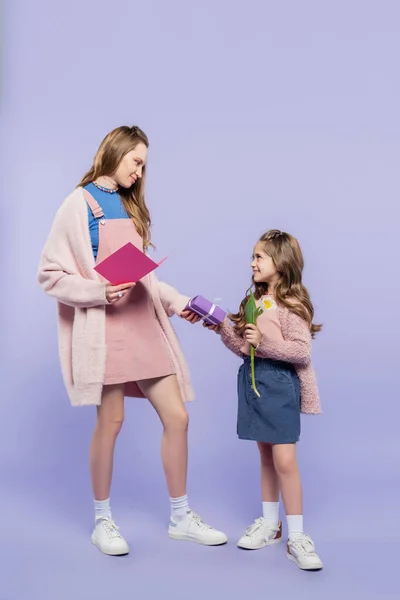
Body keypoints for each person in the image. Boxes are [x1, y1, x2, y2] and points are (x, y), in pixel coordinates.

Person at [38, 125, 227, 556]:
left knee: (177, 417)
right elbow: (50, 275)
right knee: (112, 422)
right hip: (106, 330)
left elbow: (145, 279)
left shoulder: (128, 204)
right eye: (136, 161)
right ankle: (102, 520)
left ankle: (181, 516)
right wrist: (97, 292)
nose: (140, 173)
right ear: (116, 151)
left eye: (144, 165)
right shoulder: (78, 203)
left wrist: (183, 304)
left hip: (144, 322)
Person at [204, 230, 323, 570]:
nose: (251, 262)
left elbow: (301, 351)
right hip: (254, 384)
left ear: (280, 263)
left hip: (280, 385)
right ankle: (270, 524)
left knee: (285, 460)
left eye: (259, 257)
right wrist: (220, 327)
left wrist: (264, 343)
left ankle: (297, 535)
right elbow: (244, 346)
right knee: (266, 456)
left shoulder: (291, 306)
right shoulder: (253, 303)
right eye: (253, 256)